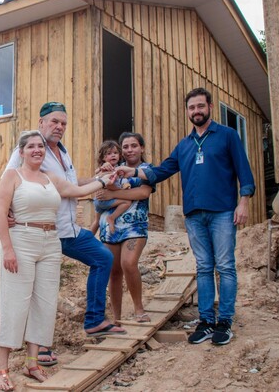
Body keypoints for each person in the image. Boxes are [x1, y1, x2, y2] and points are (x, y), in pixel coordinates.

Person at [118, 88, 255, 345]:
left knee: (224, 266)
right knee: (203, 267)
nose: (196, 111)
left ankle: (224, 322)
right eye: (191, 108)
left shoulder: (227, 136)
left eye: (200, 106)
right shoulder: (184, 145)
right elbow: (161, 171)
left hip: (223, 211)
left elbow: (243, 171)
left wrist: (243, 201)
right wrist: (131, 173)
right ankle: (205, 322)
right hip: (193, 215)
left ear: (210, 107)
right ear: (187, 111)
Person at [4, 102, 127, 362]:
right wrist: (6, 211)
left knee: (103, 258)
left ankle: (94, 321)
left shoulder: (62, 151)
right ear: (41, 123)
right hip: (43, 230)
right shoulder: (31, 146)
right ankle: (40, 347)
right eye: (54, 122)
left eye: (63, 123)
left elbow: (71, 185)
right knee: (39, 289)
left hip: (69, 229)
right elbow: (8, 178)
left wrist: (99, 176)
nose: (59, 127)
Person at [0, 130, 116, 391]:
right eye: (31, 147)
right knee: (15, 302)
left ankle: (32, 363)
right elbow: (0, 213)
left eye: (40, 146)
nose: (37, 150)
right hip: (21, 240)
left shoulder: (50, 178)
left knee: (45, 303)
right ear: (22, 151)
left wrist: (104, 181)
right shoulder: (12, 176)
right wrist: (7, 249)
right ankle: (2, 368)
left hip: (51, 242)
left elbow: (77, 190)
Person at [95, 132, 155, 323]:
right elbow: (99, 189)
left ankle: (139, 309)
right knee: (113, 271)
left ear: (141, 148)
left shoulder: (147, 169)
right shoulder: (113, 169)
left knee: (128, 264)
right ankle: (117, 318)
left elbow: (143, 193)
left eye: (134, 146)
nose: (129, 150)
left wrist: (114, 194)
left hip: (135, 225)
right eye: (126, 147)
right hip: (110, 225)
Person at [89, 140, 133, 234]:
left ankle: (87, 239)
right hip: (103, 199)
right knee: (127, 201)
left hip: (98, 199)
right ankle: (111, 218)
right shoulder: (106, 167)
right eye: (109, 153)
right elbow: (100, 175)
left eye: (115, 153)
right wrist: (121, 190)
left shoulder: (118, 167)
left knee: (96, 221)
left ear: (119, 155)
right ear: (104, 158)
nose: (113, 155)